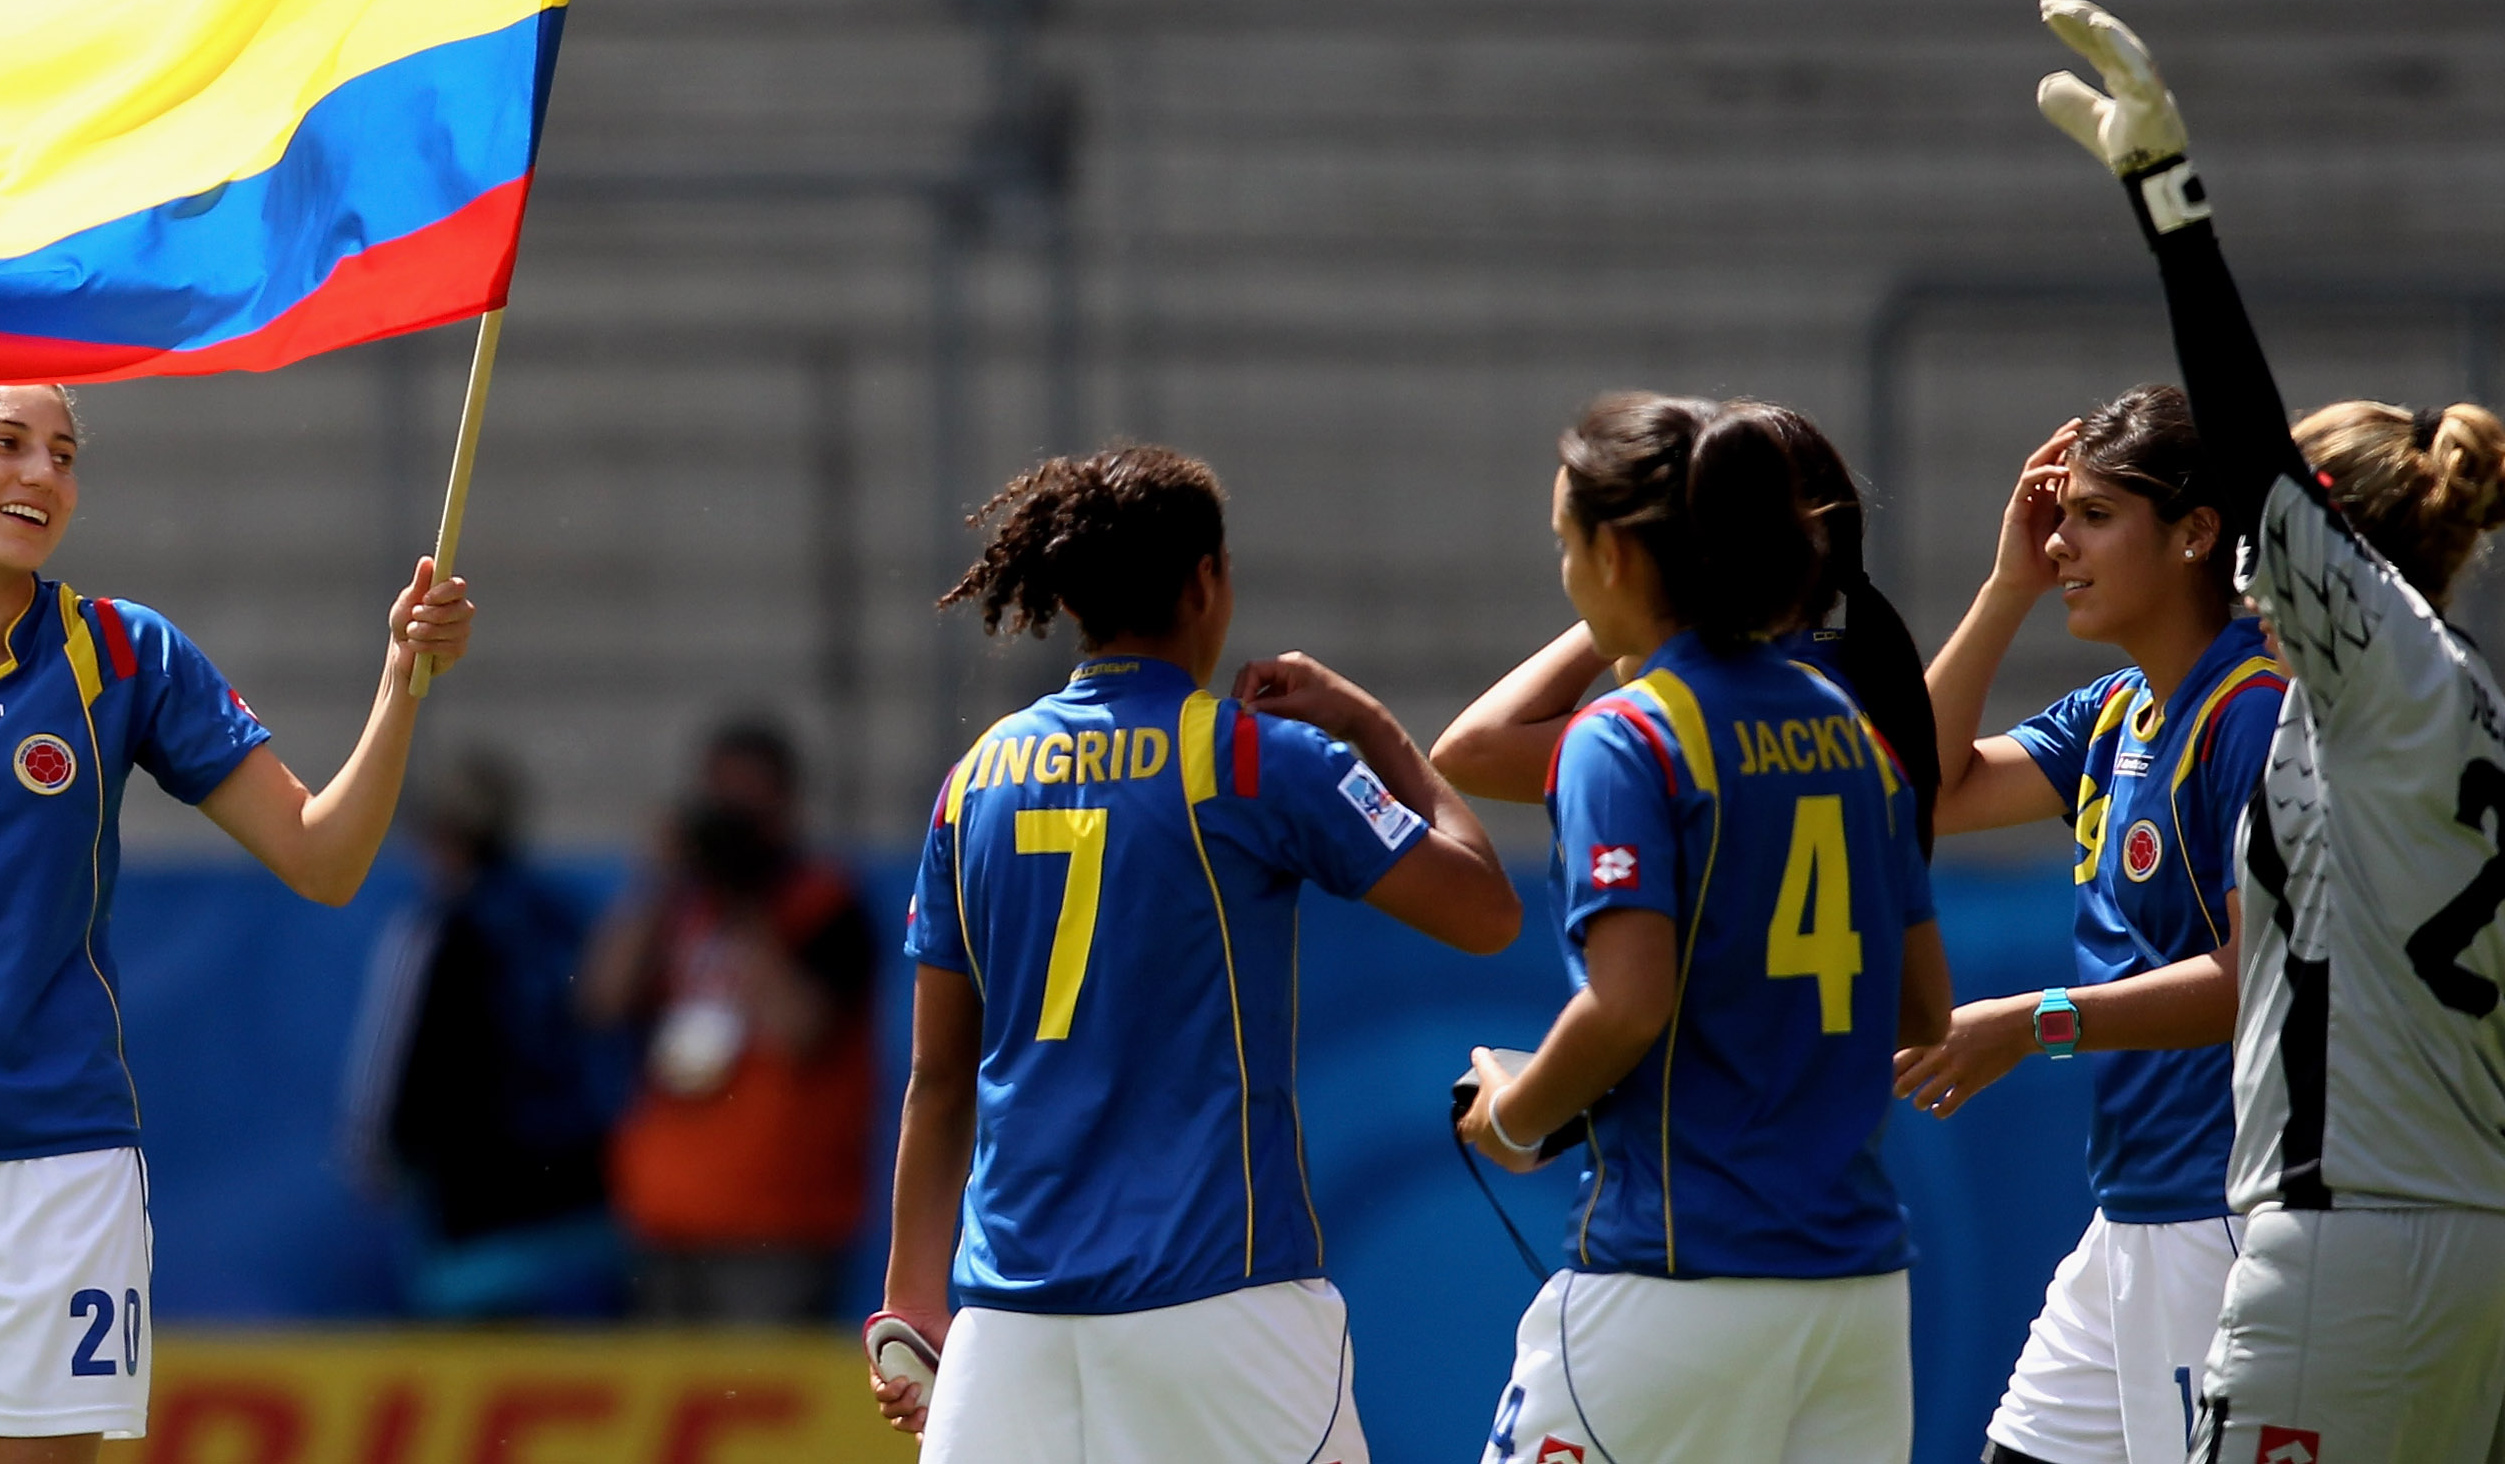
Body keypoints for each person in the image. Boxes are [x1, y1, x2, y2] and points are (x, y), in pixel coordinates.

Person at [0, 384, 471, 1462]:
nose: (43, 475)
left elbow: (324, 858)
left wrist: (402, 681)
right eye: (7, 444)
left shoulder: (124, 654)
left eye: (64, 454)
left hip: (62, 1165)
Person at [2034, 0, 2505, 1464]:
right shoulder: (2456, 695)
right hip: (2464, 1227)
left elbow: (2245, 442)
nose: (2245, 559)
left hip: (2346, 1239)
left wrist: (2173, 207)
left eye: (2266, 533)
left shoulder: (2362, 669)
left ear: (2333, 543)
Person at [869, 443, 1519, 1462]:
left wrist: (910, 1304)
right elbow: (1486, 910)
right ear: (1205, 579)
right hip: (1221, 1305)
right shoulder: (1247, 755)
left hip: (1009, 1328)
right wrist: (1373, 726)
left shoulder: (974, 780)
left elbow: (939, 1078)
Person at [1457, 393, 1952, 1464]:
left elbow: (1631, 1001)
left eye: (1566, 543)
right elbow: (1922, 1008)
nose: (1564, 570)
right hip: (1857, 1300)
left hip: (1678, 1284)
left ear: (1621, 555)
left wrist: (1514, 1113)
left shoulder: (1626, 735)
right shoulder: (1845, 726)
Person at [1898, 385, 2281, 1464]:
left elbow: (2254, 978)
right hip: (2133, 1213)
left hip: (2222, 1217)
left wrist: (2035, 1022)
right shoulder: (2117, 709)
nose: (2063, 541)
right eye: (2060, 515)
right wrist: (2004, 586)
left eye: (2097, 516)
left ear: (2198, 532)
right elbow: (1926, 795)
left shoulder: (2250, 711)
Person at [1433, 402, 1940, 830]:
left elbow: (1472, 751)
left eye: (1570, 544)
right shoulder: (1848, 705)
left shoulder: (1648, 736)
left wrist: (1634, 589)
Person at [580, 722, 877, 1322]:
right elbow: (601, 1000)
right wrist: (657, 880)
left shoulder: (825, 904)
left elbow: (801, 1029)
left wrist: (747, 905)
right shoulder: (679, 904)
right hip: (666, 1212)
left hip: (778, 1221)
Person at [342, 749, 622, 1318]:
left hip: (475, 1206)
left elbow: (390, 1054)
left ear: (440, 837)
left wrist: (372, 1150)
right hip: (584, 1196)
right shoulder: (567, 917)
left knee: (486, 1384)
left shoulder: (437, 929)